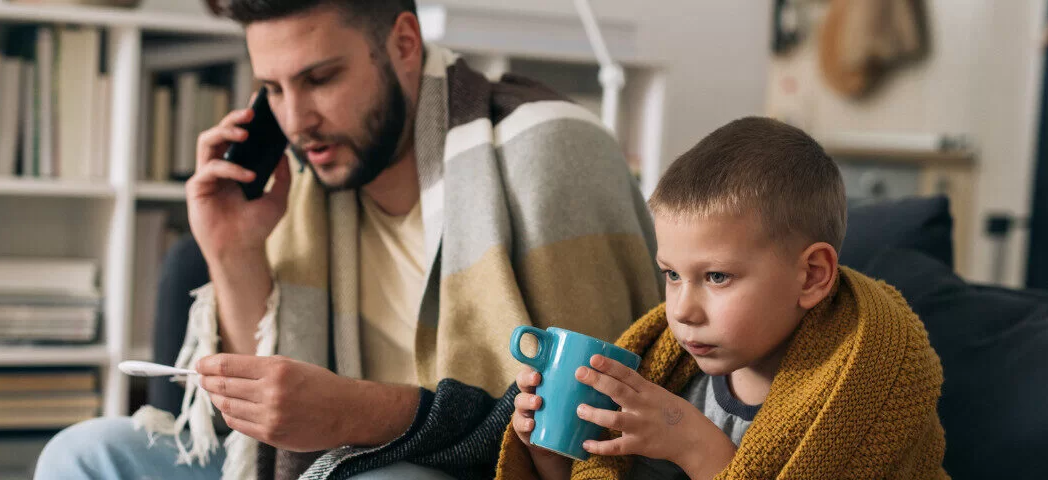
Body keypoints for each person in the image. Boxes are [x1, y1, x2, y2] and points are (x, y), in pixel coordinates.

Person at [34, 0, 662, 478]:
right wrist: (233, 248)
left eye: (321, 78)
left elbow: (590, 437)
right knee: (86, 453)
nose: (296, 121)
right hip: (316, 464)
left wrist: (354, 414)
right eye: (273, 89)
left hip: (455, 471)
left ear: (405, 44)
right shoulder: (303, 188)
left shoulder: (550, 152)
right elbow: (262, 445)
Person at [499, 117, 949, 479]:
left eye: (716, 276)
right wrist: (552, 458)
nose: (682, 310)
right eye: (672, 275)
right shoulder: (671, 375)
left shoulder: (864, 390)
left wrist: (696, 447)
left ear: (812, 276)